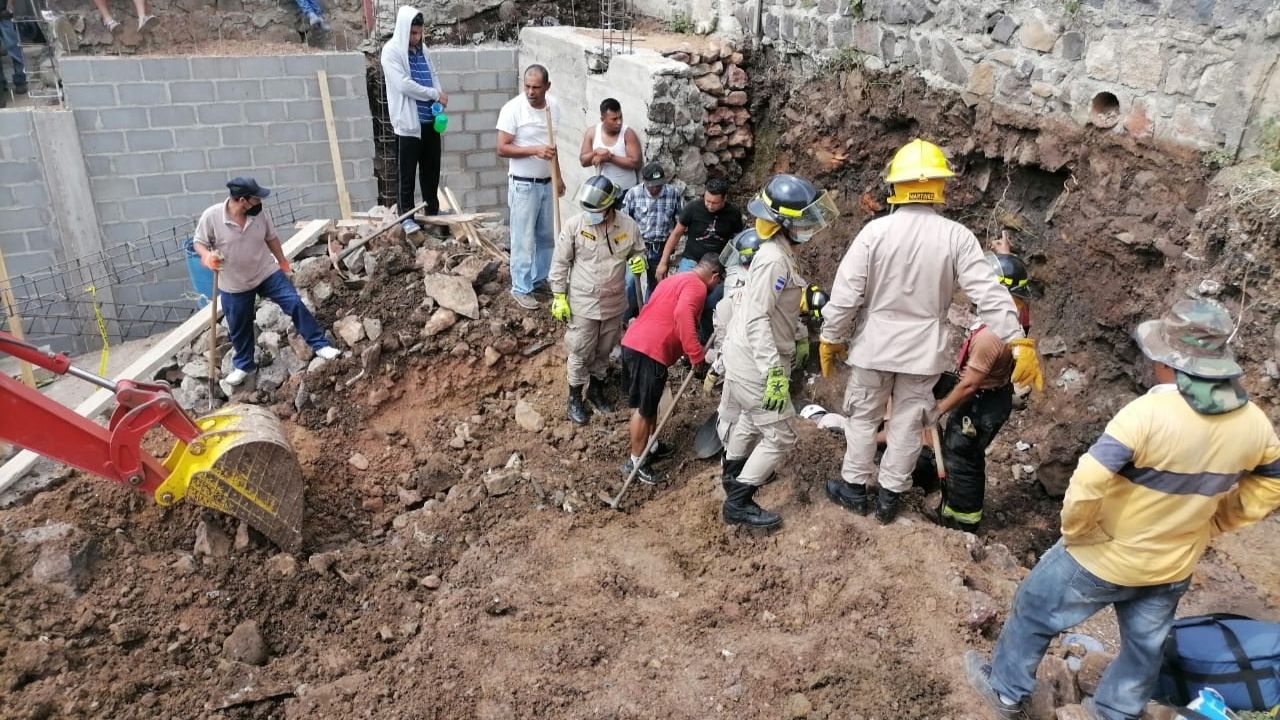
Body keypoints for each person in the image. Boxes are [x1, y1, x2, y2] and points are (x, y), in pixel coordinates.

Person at [965, 298, 1280, 720]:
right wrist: (1218, 521)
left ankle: (1004, 692)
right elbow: (1271, 482)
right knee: (1144, 647)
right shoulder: (1253, 422)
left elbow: (1089, 480)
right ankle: (1116, 712)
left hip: (1104, 555)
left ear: (1170, 361)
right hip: (1173, 564)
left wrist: (1078, 532)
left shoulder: (1146, 414)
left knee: (1035, 607)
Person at [818, 138, 1042, 525]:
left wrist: (832, 336)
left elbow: (846, 293)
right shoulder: (956, 236)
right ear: (940, 186)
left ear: (896, 187)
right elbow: (988, 292)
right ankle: (889, 497)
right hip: (923, 354)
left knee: (863, 417)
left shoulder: (875, 233)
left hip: (875, 346)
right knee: (908, 423)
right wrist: (1016, 337)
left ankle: (854, 489)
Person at [719, 174, 838, 529]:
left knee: (747, 419)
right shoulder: (773, 260)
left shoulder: (779, 254)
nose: (810, 227)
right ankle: (738, 502)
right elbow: (757, 319)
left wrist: (805, 298)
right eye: (803, 221)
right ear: (784, 223)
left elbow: (772, 304)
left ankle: (732, 474)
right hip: (757, 362)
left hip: (744, 357)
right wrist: (773, 372)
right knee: (781, 434)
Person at [193, 177, 342, 386]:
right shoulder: (212, 217)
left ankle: (319, 344)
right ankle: (244, 365)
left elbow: (271, 238)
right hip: (234, 284)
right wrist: (207, 256)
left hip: (265, 272)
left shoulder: (259, 215)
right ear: (243, 200)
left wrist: (282, 262)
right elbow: (199, 242)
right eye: (256, 198)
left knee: (294, 303)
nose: (260, 202)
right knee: (239, 326)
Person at [924, 253, 1033, 533]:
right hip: (994, 394)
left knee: (962, 455)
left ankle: (961, 520)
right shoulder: (1016, 311)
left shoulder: (990, 337)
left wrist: (939, 410)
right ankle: (955, 508)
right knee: (965, 453)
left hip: (981, 401)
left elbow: (970, 384)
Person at [548, 176, 644, 425]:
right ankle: (574, 398)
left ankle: (596, 391)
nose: (591, 214)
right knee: (580, 350)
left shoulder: (628, 226)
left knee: (604, 351)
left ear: (611, 205)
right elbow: (560, 262)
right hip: (583, 302)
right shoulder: (575, 226)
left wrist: (639, 261)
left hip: (614, 303)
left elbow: (638, 252)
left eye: (597, 210)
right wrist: (558, 295)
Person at [619, 253, 722, 483]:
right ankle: (637, 462)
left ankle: (650, 446)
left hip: (636, 342)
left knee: (650, 401)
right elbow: (682, 315)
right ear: (714, 277)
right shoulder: (697, 287)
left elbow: (659, 311)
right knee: (644, 409)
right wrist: (696, 355)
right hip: (649, 350)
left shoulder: (673, 280)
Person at [497, 64, 565, 310]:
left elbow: (553, 146)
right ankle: (521, 288)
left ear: (547, 86)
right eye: (527, 86)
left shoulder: (553, 107)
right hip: (523, 185)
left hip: (546, 183)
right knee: (523, 238)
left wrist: (558, 177)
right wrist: (534, 150)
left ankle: (539, 280)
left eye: (536, 87)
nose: (531, 92)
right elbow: (502, 148)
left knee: (546, 237)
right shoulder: (512, 109)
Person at [381, 8, 447, 235]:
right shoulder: (391, 52)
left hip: (430, 121)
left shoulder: (422, 49)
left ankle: (432, 213)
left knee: (431, 171)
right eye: (413, 34)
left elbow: (433, 74)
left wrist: (439, 94)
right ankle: (406, 216)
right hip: (409, 125)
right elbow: (404, 85)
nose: (416, 38)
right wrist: (433, 94)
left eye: (419, 33)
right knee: (406, 174)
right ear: (403, 30)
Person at [656, 178, 743, 341]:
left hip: (719, 265)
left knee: (711, 305)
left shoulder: (733, 214)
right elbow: (676, 234)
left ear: (724, 199)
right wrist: (663, 262)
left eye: (715, 203)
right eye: (707, 200)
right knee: (682, 300)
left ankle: (705, 339)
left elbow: (739, 239)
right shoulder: (693, 208)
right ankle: (676, 336)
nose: (710, 206)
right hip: (692, 261)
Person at [620, 161, 682, 321]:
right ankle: (625, 320)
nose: (655, 188)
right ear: (644, 181)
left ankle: (648, 319)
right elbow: (623, 222)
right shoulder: (633, 194)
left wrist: (670, 247)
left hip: (659, 249)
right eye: (652, 185)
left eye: (659, 185)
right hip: (637, 248)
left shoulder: (673, 193)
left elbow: (679, 223)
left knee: (656, 286)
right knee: (630, 284)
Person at [578, 98, 641, 192]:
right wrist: (595, 152)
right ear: (602, 119)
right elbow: (583, 161)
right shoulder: (592, 132)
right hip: (603, 191)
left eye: (620, 117)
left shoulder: (628, 134)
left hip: (627, 191)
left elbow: (636, 163)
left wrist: (609, 158)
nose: (619, 122)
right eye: (614, 119)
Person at [0, 1, 27, 101]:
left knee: (14, 48)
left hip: (4, 15)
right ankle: (1, 83)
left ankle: (20, 80)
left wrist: (9, 9)